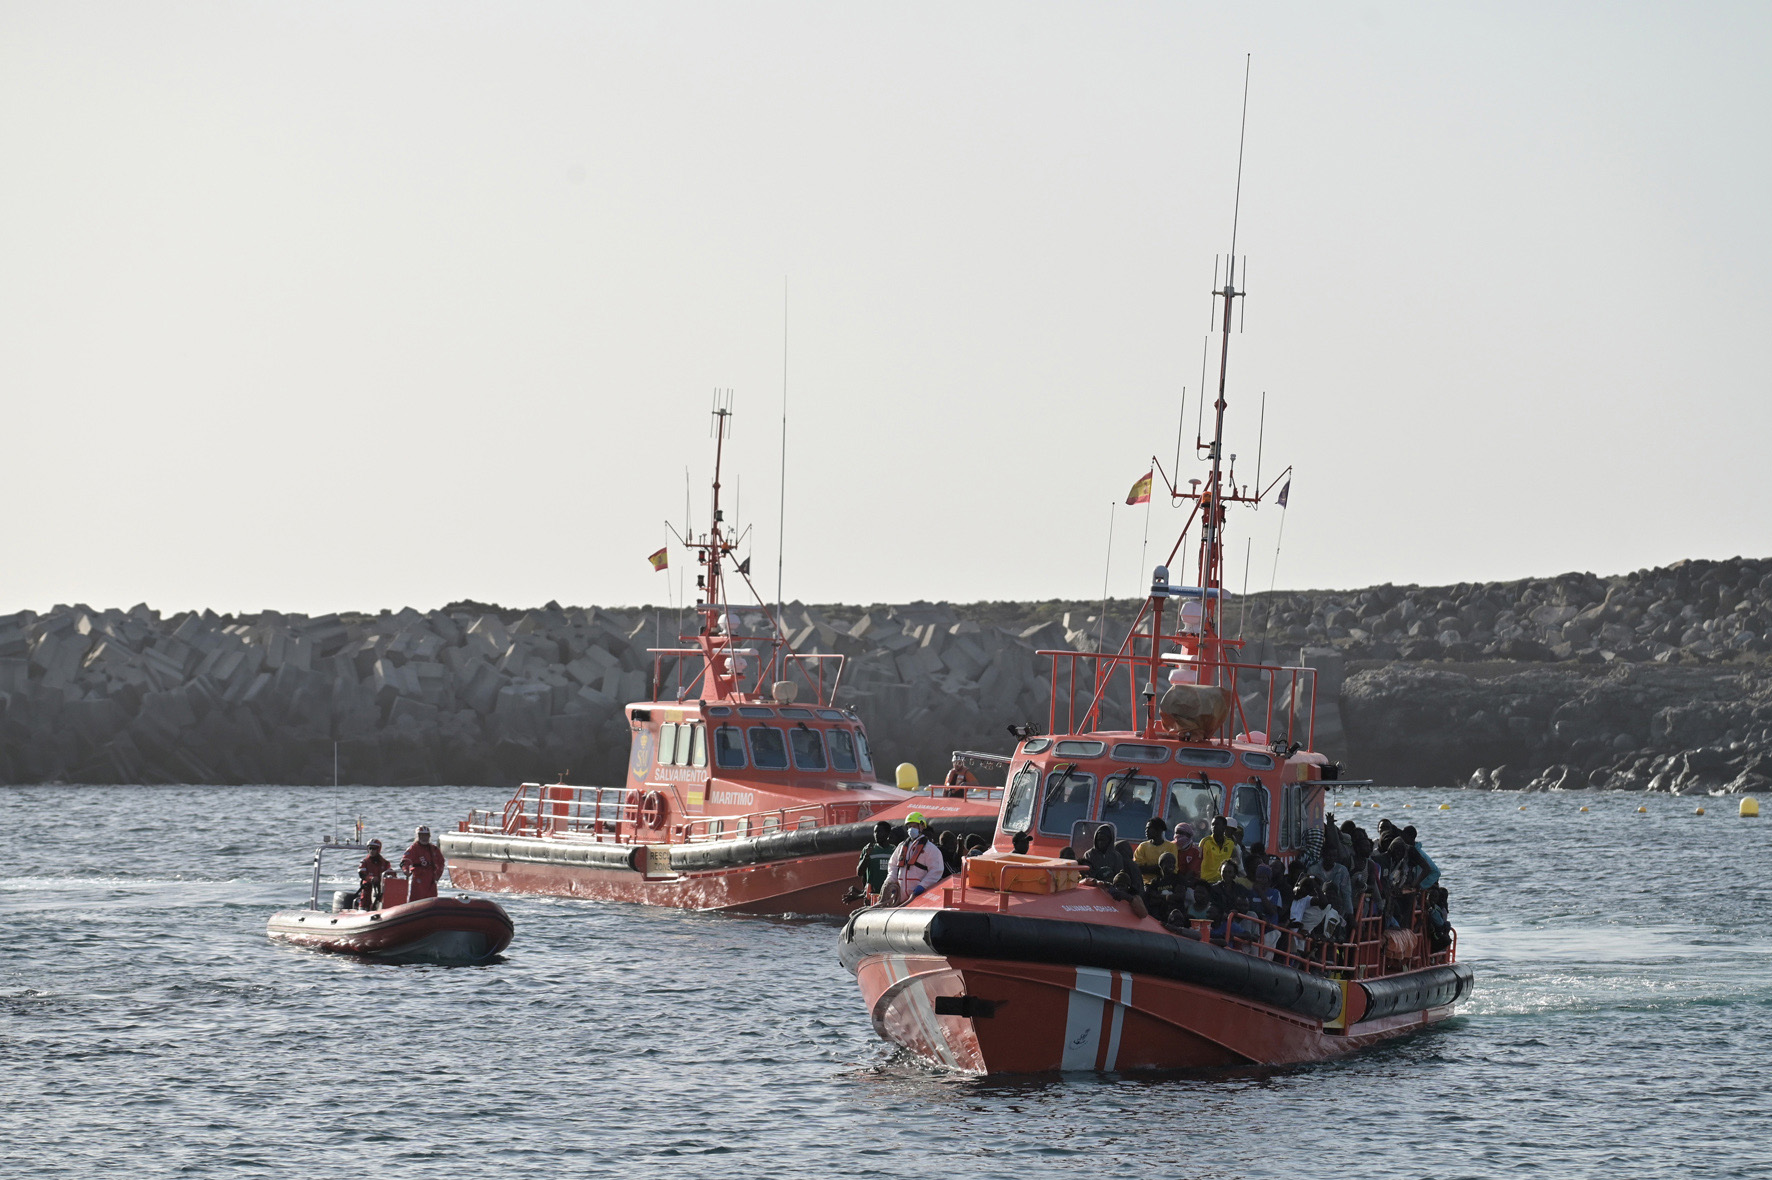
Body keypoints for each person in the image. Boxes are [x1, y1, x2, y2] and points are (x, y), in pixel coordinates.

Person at [880, 811, 945, 905]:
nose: (911, 829)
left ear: (922, 827)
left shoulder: (930, 849)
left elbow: (936, 870)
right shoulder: (901, 846)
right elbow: (893, 865)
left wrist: (922, 886)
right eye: (909, 827)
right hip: (900, 896)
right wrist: (890, 881)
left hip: (919, 896)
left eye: (914, 826)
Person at [844, 821, 897, 904]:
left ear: (887, 833)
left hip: (889, 896)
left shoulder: (894, 850)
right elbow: (859, 872)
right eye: (875, 832)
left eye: (879, 832)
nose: (876, 834)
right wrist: (866, 856)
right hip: (872, 897)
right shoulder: (869, 849)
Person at [401, 825, 446, 902]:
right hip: (419, 879)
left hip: (431, 880)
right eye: (422, 835)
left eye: (426, 835)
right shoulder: (414, 848)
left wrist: (438, 875)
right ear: (418, 836)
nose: (424, 838)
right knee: (416, 899)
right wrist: (406, 870)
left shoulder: (434, 849)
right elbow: (405, 860)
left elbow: (441, 862)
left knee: (432, 900)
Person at [1133, 818, 1180, 889]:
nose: (1146, 831)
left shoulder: (1171, 846)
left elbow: (1173, 869)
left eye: (1149, 828)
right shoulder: (1142, 846)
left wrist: (1147, 868)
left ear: (1159, 830)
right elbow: (1137, 869)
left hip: (1165, 884)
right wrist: (1160, 868)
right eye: (1146, 829)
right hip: (1146, 884)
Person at [1198, 816, 1238, 889]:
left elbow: (1235, 860)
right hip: (1207, 881)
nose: (1214, 827)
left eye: (1217, 824)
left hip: (1223, 882)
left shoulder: (1230, 844)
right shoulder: (1205, 842)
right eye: (1212, 824)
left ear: (1224, 827)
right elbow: (1198, 860)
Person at [355, 839, 391, 910]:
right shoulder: (364, 862)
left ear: (378, 849)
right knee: (365, 897)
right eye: (370, 848)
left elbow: (390, 874)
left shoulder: (385, 863)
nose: (371, 850)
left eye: (374, 848)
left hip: (380, 889)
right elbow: (362, 874)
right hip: (368, 888)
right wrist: (371, 878)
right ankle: (363, 909)